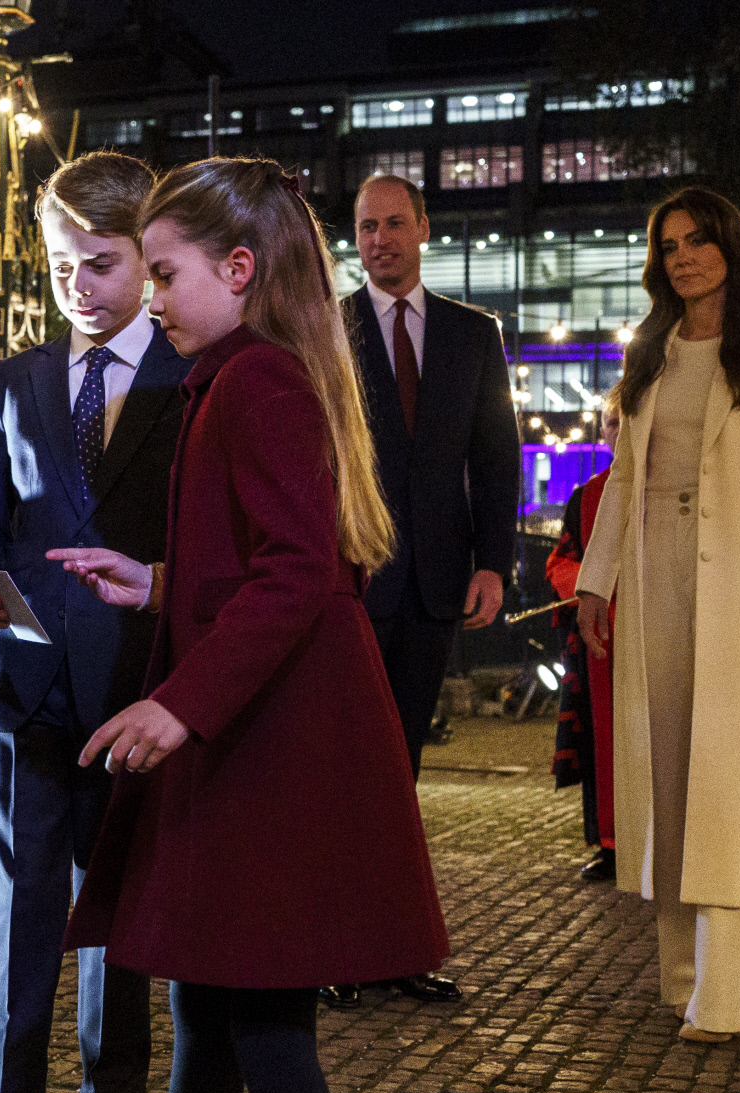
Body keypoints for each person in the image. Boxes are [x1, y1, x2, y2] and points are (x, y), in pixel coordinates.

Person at [34, 157, 449, 1093]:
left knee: (270, 1037)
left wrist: (176, 699)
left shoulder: (257, 380)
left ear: (240, 270)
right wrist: (155, 585)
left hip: (271, 748)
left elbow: (294, 580)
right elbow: (258, 565)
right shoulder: (247, 375)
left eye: (164, 270)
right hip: (261, 738)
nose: (150, 292)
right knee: (218, 1016)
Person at [0, 151, 190, 1093]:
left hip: (136, 695)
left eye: (99, 263)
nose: (77, 286)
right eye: (59, 265)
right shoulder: (14, 381)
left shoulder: (195, 383)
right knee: (19, 933)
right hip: (26, 693)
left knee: (120, 937)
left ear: (150, 259)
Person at [576, 186, 740, 1044]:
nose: (683, 255)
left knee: (730, 780)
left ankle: (724, 995)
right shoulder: (650, 351)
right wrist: (595, 581)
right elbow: (622, 476)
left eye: (698, 240)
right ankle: (679, 977)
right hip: (652, 575)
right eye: (669, 245)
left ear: (731, 246)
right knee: (668, 772)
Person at [328, 172, 521, 1008]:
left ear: (423, 228)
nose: (381, 240)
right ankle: (331, 948)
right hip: (350, 581)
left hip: (440, 579)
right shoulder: (326, 331)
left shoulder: (473, 335)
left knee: (400, 773)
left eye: (395, 224)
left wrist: (493, 561)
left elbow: (497, 455)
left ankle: (395, 948)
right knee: (344, 766)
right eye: (367, 227)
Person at [545, 400, 621, 882]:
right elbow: (560, 559)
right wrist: (590, 587)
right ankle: (610, 844)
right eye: (610, 422)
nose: (617, 429)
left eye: (625, 420)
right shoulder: (588, 495)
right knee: (602, 742)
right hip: (601, 639)